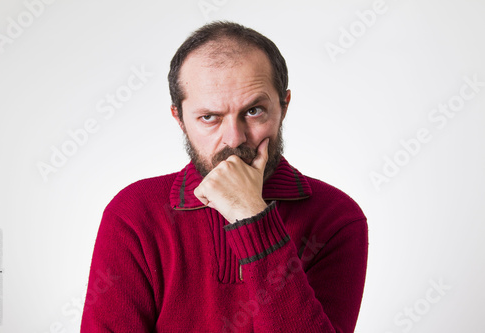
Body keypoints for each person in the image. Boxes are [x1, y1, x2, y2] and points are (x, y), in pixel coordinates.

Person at [81, 21, 368, 333]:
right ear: (179, 119)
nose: (234, 139)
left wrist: (252, 215)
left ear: (283, 107)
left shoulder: (337, 217)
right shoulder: (135, 213)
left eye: (254, 111)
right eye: (209, 117)